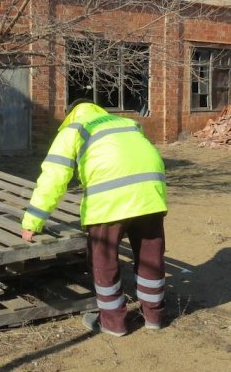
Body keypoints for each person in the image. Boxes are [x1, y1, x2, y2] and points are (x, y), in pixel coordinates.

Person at [21, 100, 168, 336]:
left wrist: (33, 222)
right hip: (150, 195)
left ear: (70, 114)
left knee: (104, 260)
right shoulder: (127, 123)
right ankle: (154, 316)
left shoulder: (75, 128)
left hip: (108, 201)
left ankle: (113, 323)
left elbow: (54, 178)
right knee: (151, 257)